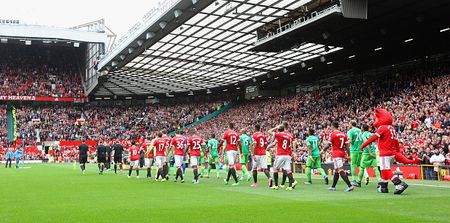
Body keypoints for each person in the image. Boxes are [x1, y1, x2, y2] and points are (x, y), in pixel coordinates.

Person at [360, 108, 418, 194]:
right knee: (383, 170)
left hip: (385, 153)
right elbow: (396, 141)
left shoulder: (382, 127)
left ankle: (399, 183)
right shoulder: (392, 128)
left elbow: (373, 138)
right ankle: (384, 187)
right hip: (392, 153)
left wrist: (363, 145)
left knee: (385, 170)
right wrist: (397, 152)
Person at [267, 122, 298, 191]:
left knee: (275, 169)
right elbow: (294, 143)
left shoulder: (279, 134)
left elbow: (269, 131)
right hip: (288, 155)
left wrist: (275, 127)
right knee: (288, 170)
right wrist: (294, 152)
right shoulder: (290, 135)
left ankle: (276, 185)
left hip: (280, 154)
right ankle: (290, 186)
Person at [324, 121, 354, 192]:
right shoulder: (343, 134)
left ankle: (350, 186)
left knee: (340, 170)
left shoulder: (333, 134)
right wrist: (349, 155)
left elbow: (328, 144)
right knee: (336, 170)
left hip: (336, 154)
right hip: (342, 153)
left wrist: (323, 150)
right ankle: (333, 186)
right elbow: (347, 146)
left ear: (332, 126)